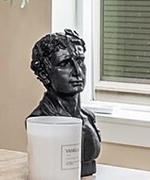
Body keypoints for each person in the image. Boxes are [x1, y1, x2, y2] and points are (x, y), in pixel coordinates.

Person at [28, 29, 102, 170]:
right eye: (65, 64)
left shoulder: (89, 117)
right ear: (44, 73)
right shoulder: (41, 121)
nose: (78, 72)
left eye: (80, 62)